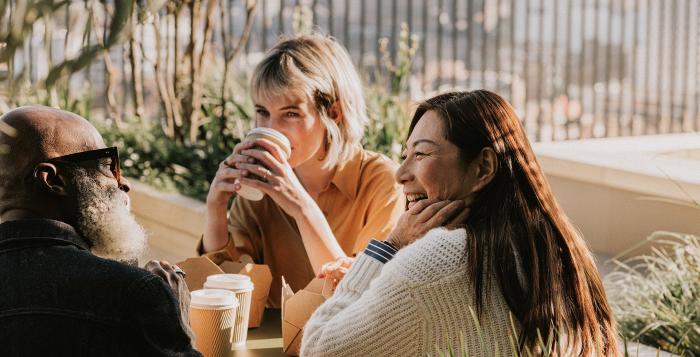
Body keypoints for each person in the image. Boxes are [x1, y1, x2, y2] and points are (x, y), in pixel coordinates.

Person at [301, 91, 619, 356]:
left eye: (421, 154)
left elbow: (319, 350)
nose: (401, 174)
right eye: (404, 155)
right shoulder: (556, 247)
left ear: (483, 168)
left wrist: (389, 248)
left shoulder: (437, 263)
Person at [199, 34, 404, 307]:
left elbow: (360, 300)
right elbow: (224, 293)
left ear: (334, 113)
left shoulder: (383, 183)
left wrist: (301, 208)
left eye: (291, 114)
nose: (271, 128)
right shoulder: (259, 189)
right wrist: (216, 208)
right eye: (262, 111)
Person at [0, 106, 201, 356]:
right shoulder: (134, 293)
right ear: (53, 180)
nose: (122, 182)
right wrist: (179, 324)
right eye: (107, 165)